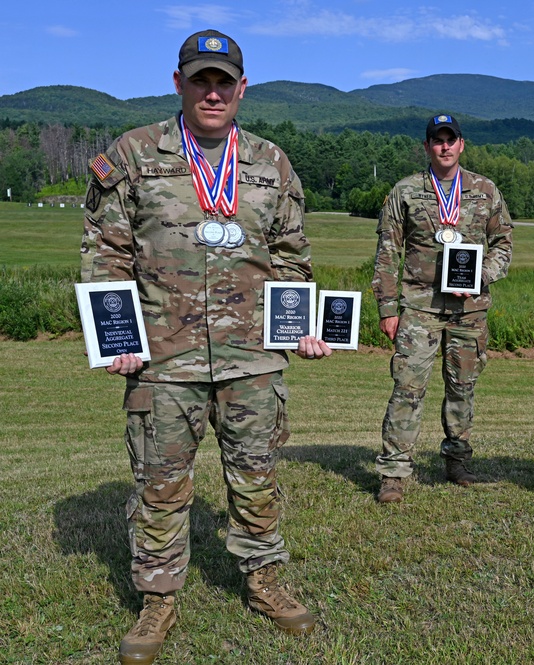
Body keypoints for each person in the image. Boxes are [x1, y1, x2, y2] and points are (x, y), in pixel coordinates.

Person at [80, 29, 331, 665]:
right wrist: (118, 335)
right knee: (160, 484)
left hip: (252, 359)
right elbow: (105, 253)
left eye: (224, 82)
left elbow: (292, 258)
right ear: (179, 84)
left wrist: (299, 324)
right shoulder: (135, 155)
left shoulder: (271, 163)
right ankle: (158, 599)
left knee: (257, 478)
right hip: (162, 360)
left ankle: (265, 583)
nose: (212, 92)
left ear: (242, 88)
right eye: (201, 80)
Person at [371, 113, 513, 503]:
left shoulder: (485, 190)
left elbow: (504, 242)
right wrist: (387, 307)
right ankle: (394, 472)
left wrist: (482, 274)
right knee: (407, 387)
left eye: (451, 140)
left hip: (470, 310)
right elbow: (387, 253)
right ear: (427, 146)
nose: (445, 146)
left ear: (462, 144)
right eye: (437, 140)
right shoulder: (405, 191)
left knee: (463, 387)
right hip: (419, 306)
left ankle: (457, 459)